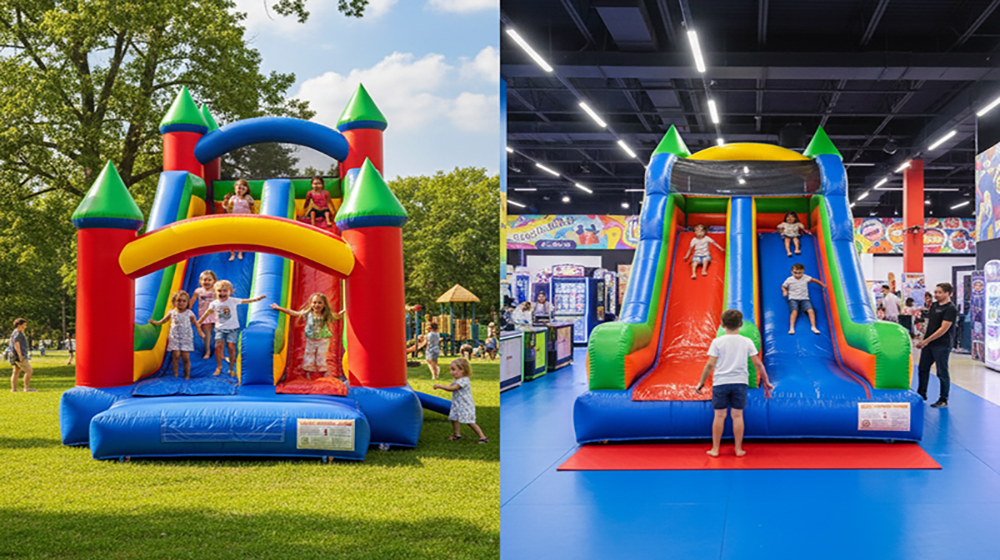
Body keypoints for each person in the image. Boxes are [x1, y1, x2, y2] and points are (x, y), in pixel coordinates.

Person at [695, 309, 772, 457]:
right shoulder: (747, 341)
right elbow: (758, 364)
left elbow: (710, 365)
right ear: (741, 324)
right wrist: (766, 381)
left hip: (721, 382)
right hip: (740, 382)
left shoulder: (717, 342)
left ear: (722, 325)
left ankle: (715, 449)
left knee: (719, 416)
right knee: (737, 415)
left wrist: (701, 382)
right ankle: (738, 449)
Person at [197, 280, 266, 377]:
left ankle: (231, 368)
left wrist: (256, 299)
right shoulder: (214, 303)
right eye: (219, 291)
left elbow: (246, 301)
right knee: (217, 347)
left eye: (225, 291)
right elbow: (208, 313)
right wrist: (199, 322)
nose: (222, 293)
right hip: (220, 328)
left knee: (231, 347)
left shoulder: (232, 300)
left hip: (232, 328)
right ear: (215, 292)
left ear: (230, 292)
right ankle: (219, 367)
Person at [270, 293, 344, 380]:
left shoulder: (326, 315)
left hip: (323, 339)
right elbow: (294, 313)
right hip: (311, 339)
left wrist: (346, 309)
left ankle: (322, 373)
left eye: (319, 303)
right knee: (309, 355)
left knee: (321, 356)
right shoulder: (308, 314)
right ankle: (310, 374)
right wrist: (279, 308)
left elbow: (337, 316)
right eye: (314, 302)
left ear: (324, 304)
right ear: (311, 304)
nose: (317, 305)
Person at [916, 283, 958, 408]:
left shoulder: (951, 309)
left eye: (939, 292)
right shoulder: (934, 306)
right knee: (923, 369)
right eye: (935, 292)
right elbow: (930, 324)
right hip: (929, 343)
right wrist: (923, 337)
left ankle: (943, 399)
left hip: (942, 344)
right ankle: (921, 394)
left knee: (942, 372)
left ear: (948, 293)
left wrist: (926, 341)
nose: (936, 295)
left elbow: (943, 329)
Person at [148, 290, 204, 379]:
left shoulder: (189, 313)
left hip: (186, 337)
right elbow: (164, 321)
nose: (181, 303)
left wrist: (201, 333)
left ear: (187, 303)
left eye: (184, 301)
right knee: (176, 356)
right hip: (175, 337)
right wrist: (155, 322)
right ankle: (176, 375)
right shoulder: (171, 312)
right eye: (179, 300)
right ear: (174, 302)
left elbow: (196, 323)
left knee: (185, 358)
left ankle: (187, 376)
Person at [434, 357, 488, 443]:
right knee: (454, 418)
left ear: (462, 370)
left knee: (469, 422)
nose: (451, 372)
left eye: (454, 369)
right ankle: (457, 435)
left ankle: (482, 437)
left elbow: (452, 388)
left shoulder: (464, 380)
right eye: (451, 370)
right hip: (457, 404)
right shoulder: (458, 379)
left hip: (465, 405)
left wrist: (439, 386)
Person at [782, 263, 826, 335]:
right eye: (795, 273)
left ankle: (813, 327)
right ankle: (791, 327)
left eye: (800, 273)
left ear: (803, 271)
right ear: (792, 272)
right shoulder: (789, 280)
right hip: (793, 298)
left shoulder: (805, 277)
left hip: (804, 298)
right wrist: (784, 291)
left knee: (811, 311)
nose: (798, 275)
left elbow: (814, 280)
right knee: (794, 311)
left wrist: (822, 284)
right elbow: (783, 286)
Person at [226, 179, 255, 261]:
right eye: (239, 188)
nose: (240, 191)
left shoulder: (248, 197)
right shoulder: (233, 198)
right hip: (234, 219)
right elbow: (228, 208)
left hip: (245, 219)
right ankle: (232, 253)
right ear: (235, 189)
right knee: (232, 236)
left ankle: (240, 252)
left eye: (243, 189)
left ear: (246, 190)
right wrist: (225, 203)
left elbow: (252, 208)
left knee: (241, 236)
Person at [192, 270, 218, 359]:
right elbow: (192, 301)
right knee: (206, 333)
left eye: (209, 280)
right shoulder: (198, 291)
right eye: (204, 280)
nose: (206, 282)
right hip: (204, 315)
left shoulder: (216, 290)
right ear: (200, 281)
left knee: (219, 331)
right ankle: (207, 351)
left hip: (215, 313)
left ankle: (220, 351)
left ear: (214, 281)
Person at [8, 318, 34, 392]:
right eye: (23, 325)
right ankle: (26, 388)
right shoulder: (18, 333)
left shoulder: (15, 332)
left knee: (16, 372)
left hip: (13, 356)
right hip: (18, 356)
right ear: (19, 325)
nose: (25, 327)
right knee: (29, 371)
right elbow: (17, 344)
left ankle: (13, 389)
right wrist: (20, 356)